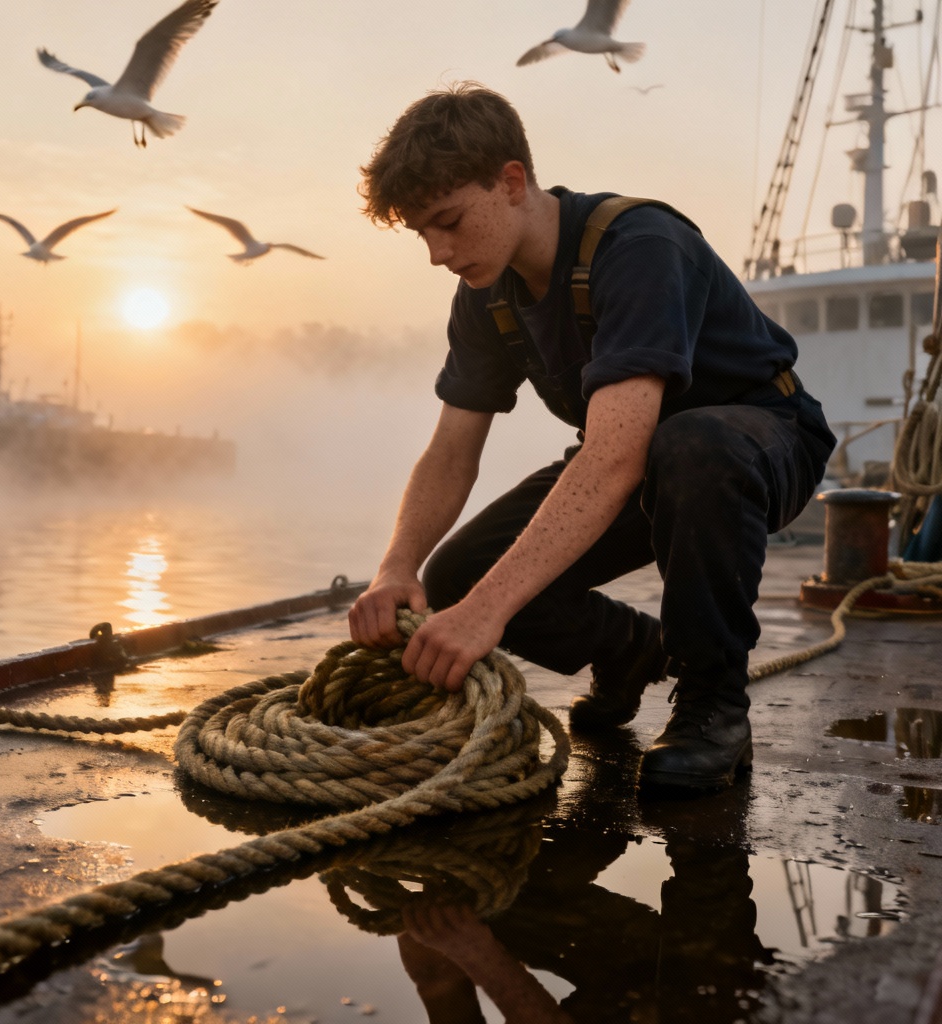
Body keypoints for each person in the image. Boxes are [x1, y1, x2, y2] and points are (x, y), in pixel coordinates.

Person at [347, 82, 836, 792]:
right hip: (639, 457)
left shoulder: (638, 247)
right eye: (423, 232)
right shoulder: (485, 294)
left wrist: (485, 616)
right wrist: (398, 569)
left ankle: (712, 707)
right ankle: (633, 649)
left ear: (512, 181)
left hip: (758, 442)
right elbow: (452, 451)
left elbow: (614, 458)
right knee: (458, 578)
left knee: (691, 447)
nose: (437, 253)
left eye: (449, 222)